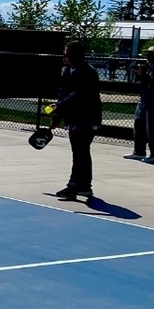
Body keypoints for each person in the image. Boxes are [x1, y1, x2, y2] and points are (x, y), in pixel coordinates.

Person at [49, 41, 103, 200]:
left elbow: (78, 95)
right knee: (80, 152)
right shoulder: (68, 71)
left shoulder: (88, 72)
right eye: (66, 55)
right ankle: (84, 187)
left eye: (70, 55)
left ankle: (75, 186)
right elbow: (64, 93)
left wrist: (59, 106)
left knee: (81, 152)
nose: (67, 58)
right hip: (74, 118)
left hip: (88, 118)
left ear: (79, 55)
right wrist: (57, 115)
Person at [126, 50, 154, 163]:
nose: (147, 57)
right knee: (139, 125)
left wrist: (144, 75)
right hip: (144, 100)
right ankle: (139, 151)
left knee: (151, 129)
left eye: (150, 54)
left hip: (152, 101)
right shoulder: (149, 67)